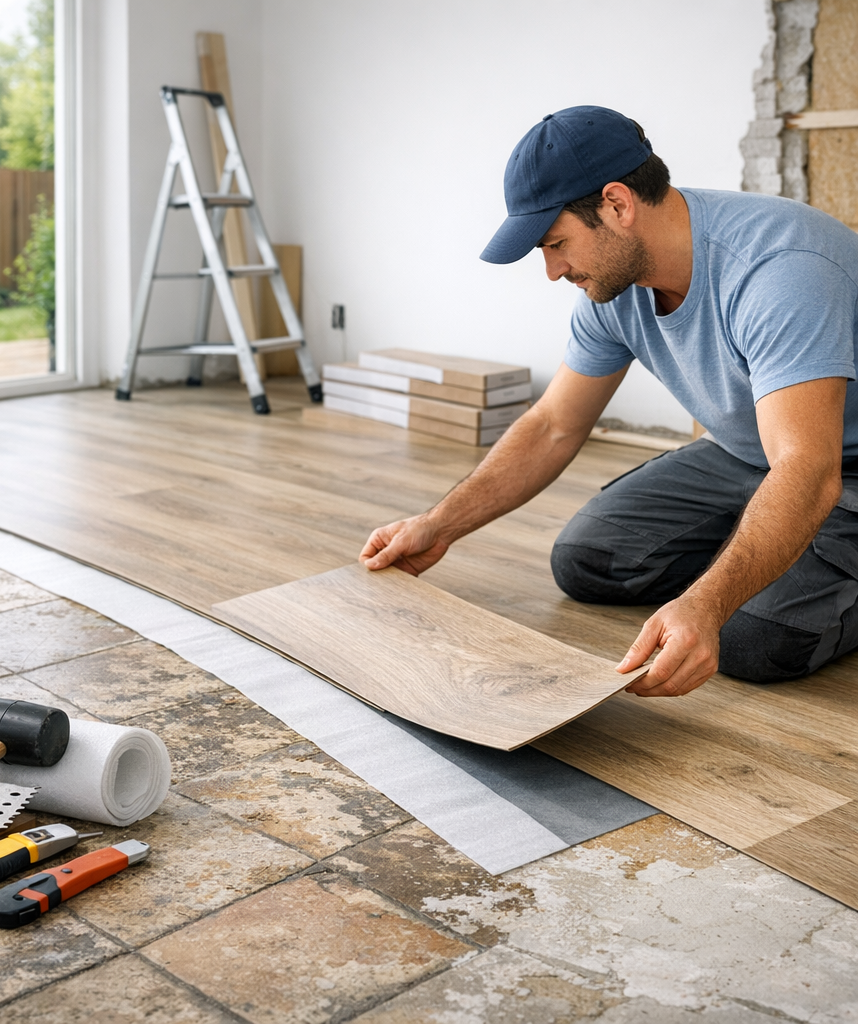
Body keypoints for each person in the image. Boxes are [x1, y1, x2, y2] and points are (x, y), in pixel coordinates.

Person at [359, 105, 858, 698]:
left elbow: (808, 466)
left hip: (832, 461)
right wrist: (438, 525)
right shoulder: (615, 288)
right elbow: (553, 425)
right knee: (587, 560)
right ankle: (779, 543)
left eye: (556, 244)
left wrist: (705, 602)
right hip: (748, 449)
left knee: (754, 636)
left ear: (618, 205)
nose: (552, 270)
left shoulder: (778, 272)